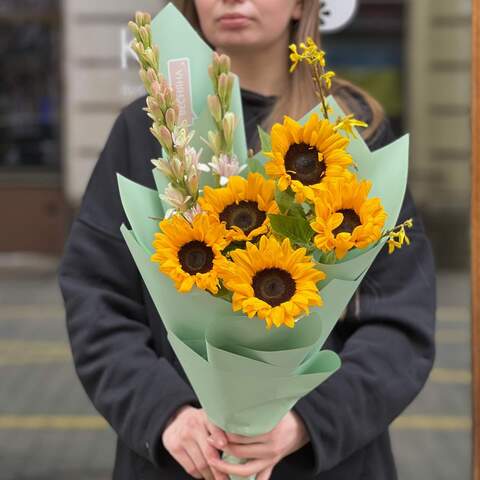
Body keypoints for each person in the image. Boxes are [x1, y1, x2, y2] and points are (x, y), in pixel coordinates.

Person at [58, 1, 436, 479]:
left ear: (302, 5)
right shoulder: (152, 133)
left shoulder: (350, 135)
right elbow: (97, 300)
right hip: (184, 459)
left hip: (324, 462)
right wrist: (164, 414)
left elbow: (400, 325)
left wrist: (306, 422)